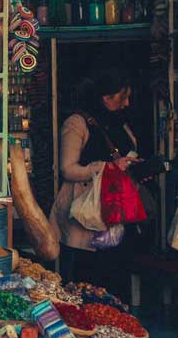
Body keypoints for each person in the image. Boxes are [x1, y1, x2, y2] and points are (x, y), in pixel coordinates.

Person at [49, 68, 156, 293]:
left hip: (116, 215)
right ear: (107, 96)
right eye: (123, 97)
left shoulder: (121, 125)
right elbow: (67, 169)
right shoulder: (77, 124)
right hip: (86, 216)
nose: (127, 103)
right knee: (87, 281)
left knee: (115, 277)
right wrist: (105, 168)